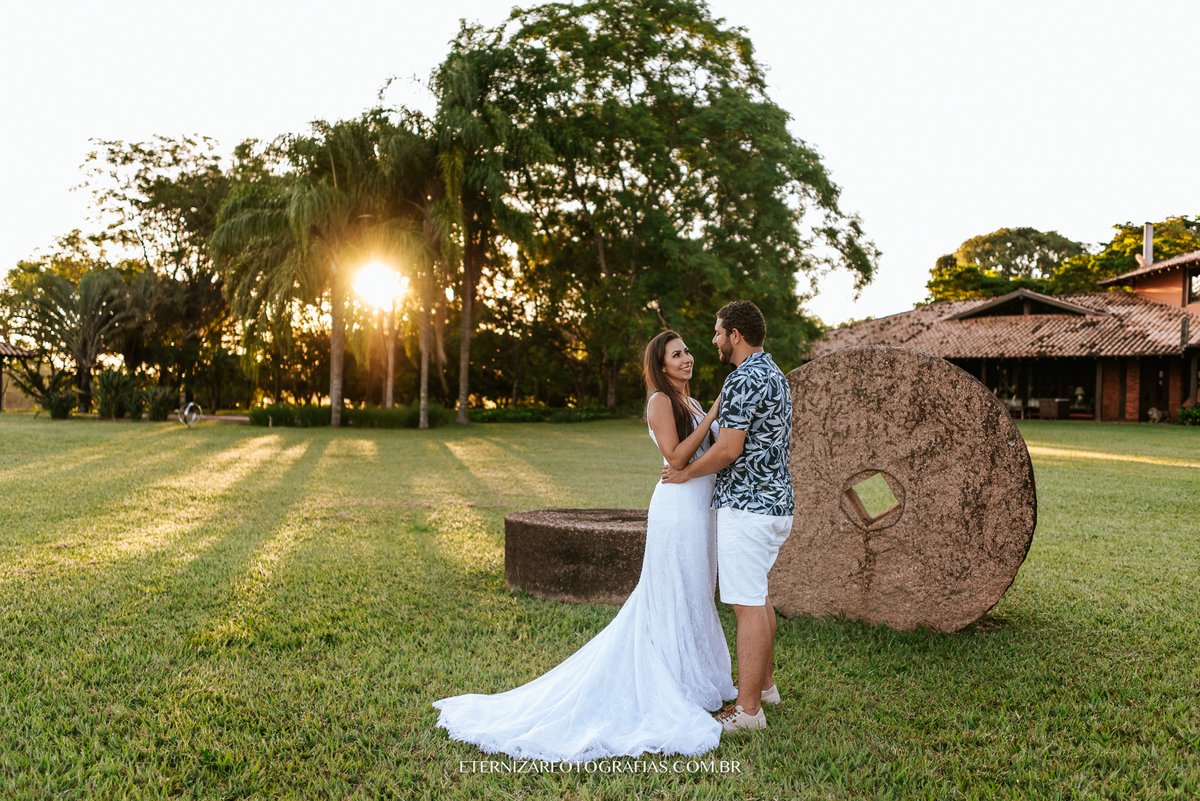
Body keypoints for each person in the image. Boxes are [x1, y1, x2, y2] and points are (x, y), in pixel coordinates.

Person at [432, 330, 736, 761]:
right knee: (673, 592)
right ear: (661, 364)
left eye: (687, 351)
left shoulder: (690, 400)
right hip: (678, 512)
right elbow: (675, 458)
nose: (687, 358)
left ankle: (696, 675)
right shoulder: (661, 401)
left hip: (700, 512)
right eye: (677, 354)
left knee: (694, 593)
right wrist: (715, 413)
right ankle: (671, 679)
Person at [662, 301, 794, 733]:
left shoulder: (742, 379)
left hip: (748, 507)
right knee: (758, 596)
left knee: (746, 604)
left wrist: (684, 473)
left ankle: (749, 711)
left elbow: (727, 449)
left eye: (719, 333)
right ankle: (768, 688)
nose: (714, 341)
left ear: (736, 334)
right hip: (776, 505)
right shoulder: (773, 373)